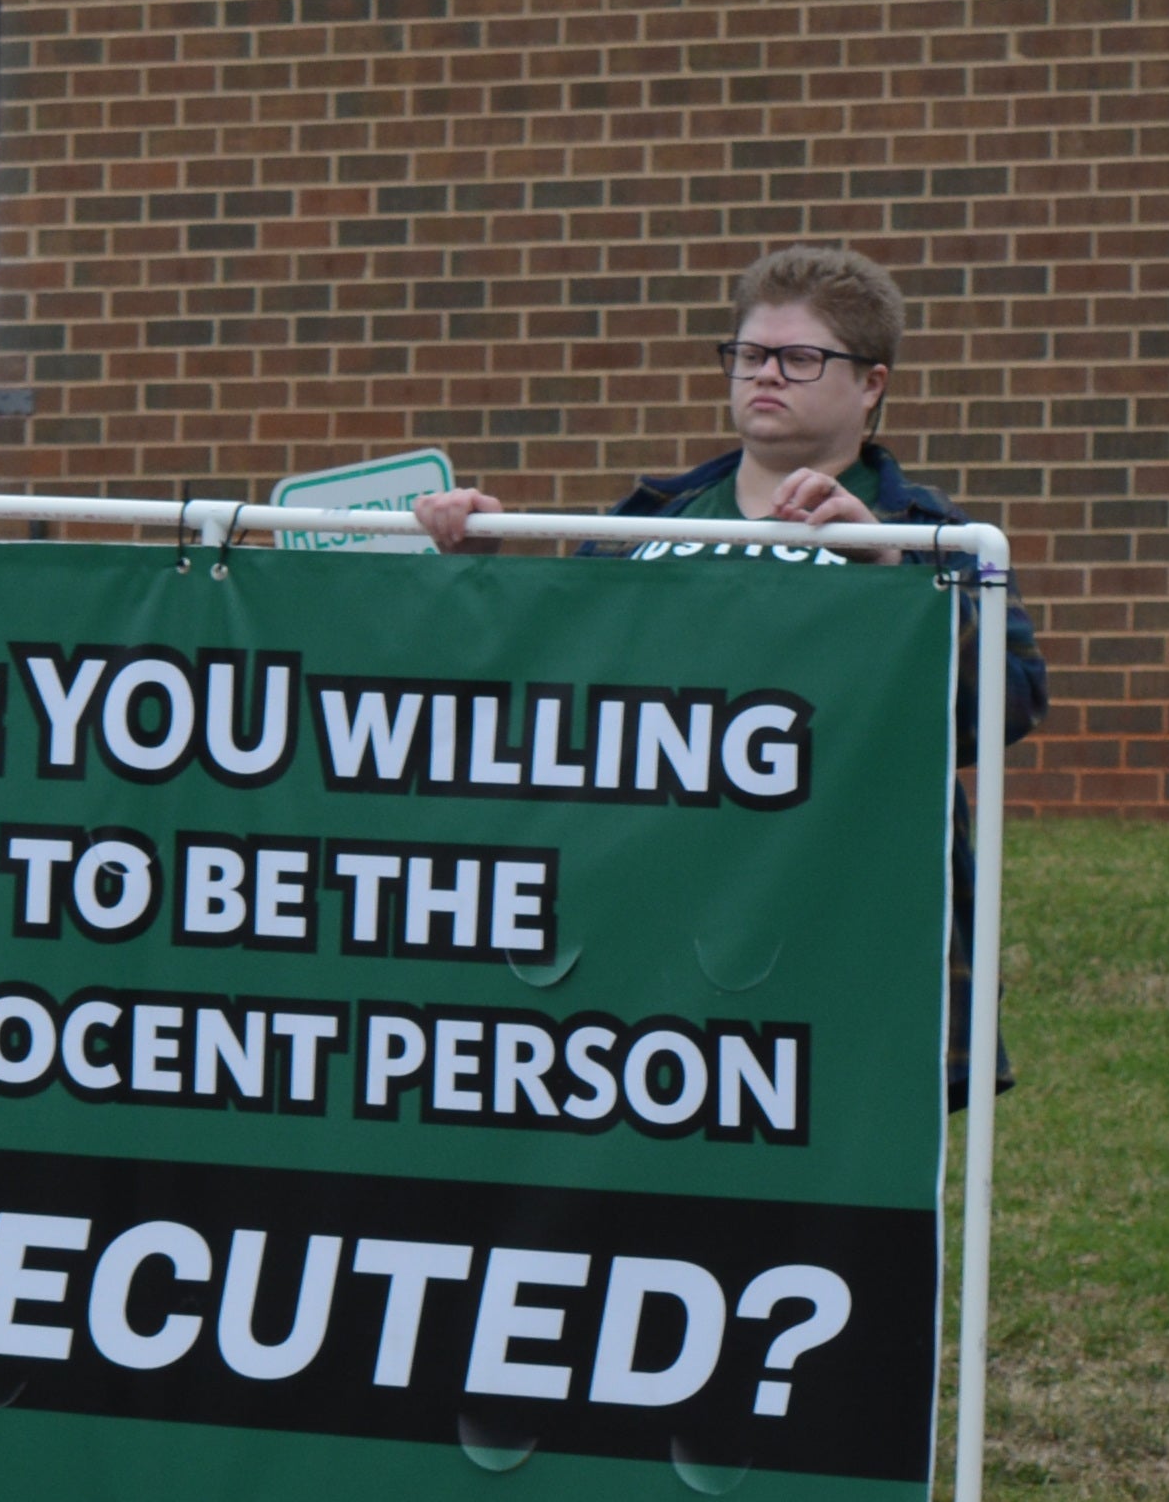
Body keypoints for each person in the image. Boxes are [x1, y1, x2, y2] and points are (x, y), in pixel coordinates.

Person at [414, 242, 1041, 1095]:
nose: (765, 376)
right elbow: (542, 702)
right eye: (749, 355)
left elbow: (1002, 710)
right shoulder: (641, 528)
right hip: (645, 950)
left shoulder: (929, 538)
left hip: (842, 945)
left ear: (873, 384)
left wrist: (893, 576)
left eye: (800, 358)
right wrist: (475, 566)